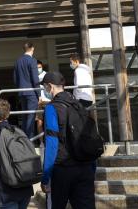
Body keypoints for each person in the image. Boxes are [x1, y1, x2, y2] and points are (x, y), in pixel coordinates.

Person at [40, 71, 96, 209]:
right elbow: (89, 137)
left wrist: (46, 176)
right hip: (85, 166)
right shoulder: (78, 105)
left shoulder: (51, 108)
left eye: (45, 87)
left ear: (50, 87)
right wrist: (91, 167)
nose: (45, 90)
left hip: (63, 169)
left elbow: (52, 144)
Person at [13, 42, 40, 138]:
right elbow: (35, 79)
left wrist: (20, 89)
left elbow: (15, 79)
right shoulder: (32, 60)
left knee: (24, 117)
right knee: (31, 117)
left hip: (21, 92)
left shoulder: (18, 61)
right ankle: (29, 140)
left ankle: (24, 139)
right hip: (32, 93)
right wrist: (39, 93)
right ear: (32, 48)